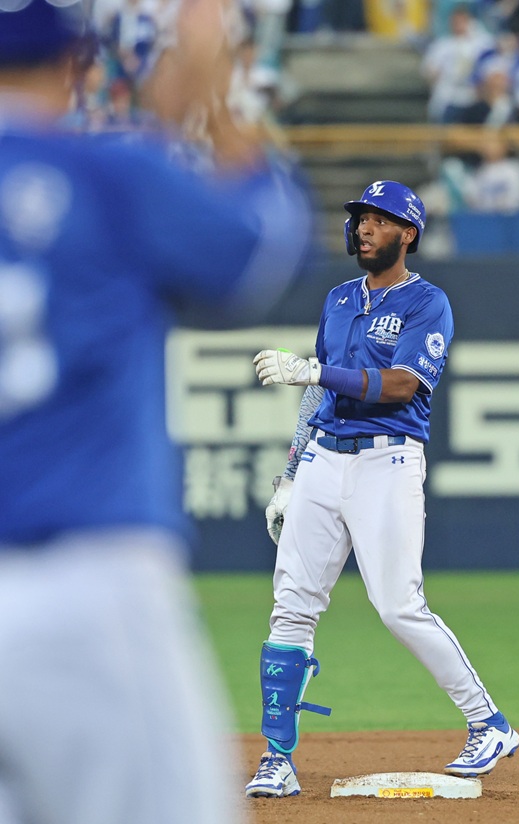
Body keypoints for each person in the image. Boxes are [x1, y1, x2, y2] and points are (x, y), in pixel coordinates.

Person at [0, 1, 313, 823]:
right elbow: (263, 246)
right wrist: (212, 114)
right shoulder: (111, 175)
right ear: (74, 66)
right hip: (86, 585)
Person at [245, 179, 519, 798]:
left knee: (399, 605)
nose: (364, 227)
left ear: (407, 234)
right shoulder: (340, 298)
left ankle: (488, 722)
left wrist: (315, 370)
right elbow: (317, 393)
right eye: (360, 218)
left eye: (379, 219)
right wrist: (291, 475)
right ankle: (278, 758)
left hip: (386, 461)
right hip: (323, 458)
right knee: (291, 605)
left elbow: (402, 384)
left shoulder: (428, 302)